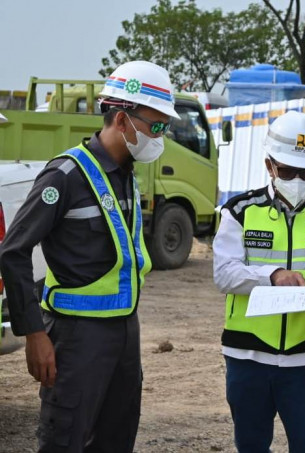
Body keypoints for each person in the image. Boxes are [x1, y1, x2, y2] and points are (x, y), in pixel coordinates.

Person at [0, 60, 179, 452]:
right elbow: (13, 251)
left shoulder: (127, 174)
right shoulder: (64, 177)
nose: (161, 136)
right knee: (65, 440)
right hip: (75, 337)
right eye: (157, 125)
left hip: (124, 333)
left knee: (117, 438)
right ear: (121, 118)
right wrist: (33, 334)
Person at [213, 110, 305, 453]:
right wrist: (272, 276)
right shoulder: (240, 210)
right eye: (288, 170)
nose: (297, 179)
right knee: (250, 445)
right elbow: (223, 272)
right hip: (248, 356)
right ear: (269, 166)